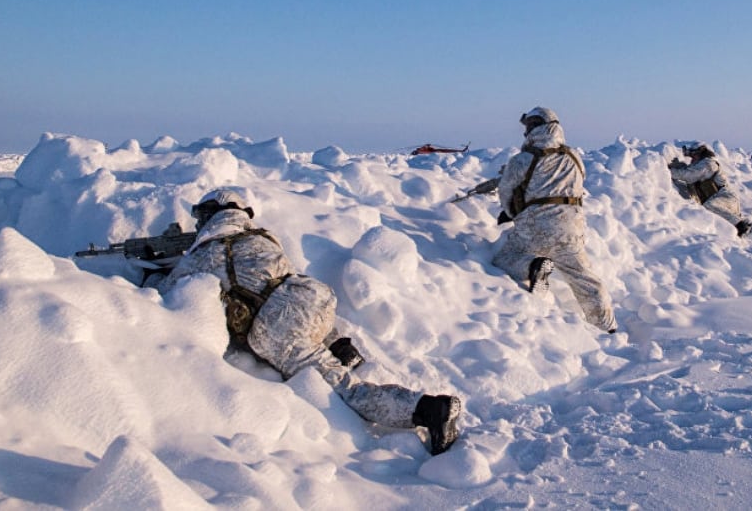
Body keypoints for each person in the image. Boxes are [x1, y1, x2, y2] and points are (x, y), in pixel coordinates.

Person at [155, 188, 462, 455]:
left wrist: (156, 271)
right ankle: (342, 348)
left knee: (346, 389)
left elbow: (170, 295)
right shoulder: (260, 236)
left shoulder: (202, 254)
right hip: (311, 296)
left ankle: (429, 410)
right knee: (309, 316)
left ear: (208, 216)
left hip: (278, 326)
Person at [492, 107, 618, 333]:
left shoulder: (523, 159)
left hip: (535, 227)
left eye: (529, 126)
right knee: (585, 280)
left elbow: (506, 192)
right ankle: (606, 327)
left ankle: (533, 266)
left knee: (504, 261)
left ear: (535, 127)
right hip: (572, 228)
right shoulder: (574, 156)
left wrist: (511, 213)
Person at [668, 143, 752, 244]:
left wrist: (666, 170)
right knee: (748, 228)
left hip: (723, 197)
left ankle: (738, 224)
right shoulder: (702, 164)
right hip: (722, 200)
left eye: (693, 155)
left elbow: (689, 176)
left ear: (701, 153)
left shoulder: (708, 163)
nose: (691, 159)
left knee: (710, 209)